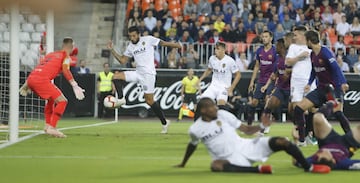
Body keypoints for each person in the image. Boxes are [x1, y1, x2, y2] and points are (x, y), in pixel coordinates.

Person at [175, 98, 331, 174]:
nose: (216, 109)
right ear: (203, 111)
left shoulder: (223, 114)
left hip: (246, 146)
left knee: (282, 141)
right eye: (212, 108)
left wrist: (262, 126)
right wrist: (183, 163)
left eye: (215, 106)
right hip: (229, 159)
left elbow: (247, 130)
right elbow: (192, 145)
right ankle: (259, 170)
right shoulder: (195, 129)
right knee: (216, 165)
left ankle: (308, 167)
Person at [107, 26, 182, 134]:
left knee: (149, 101)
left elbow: (163, 43)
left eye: (134, 36)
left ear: (138, 34)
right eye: (130, 36)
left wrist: (177, 45)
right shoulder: (130, 46)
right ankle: (122, 99)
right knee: (115, 76)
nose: (132, 38)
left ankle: (165, 123)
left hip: (148, 75)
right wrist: (112, 50)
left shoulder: (148, 39)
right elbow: (123, 61)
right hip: (138, 73)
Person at [293, 30, 351, 146]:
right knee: (299, 108)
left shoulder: (325, 52)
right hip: (321, 89)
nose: (305, 43)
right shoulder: (312, 54)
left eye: (306, 40)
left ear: (310, 41)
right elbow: (314, 71)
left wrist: (343, 83)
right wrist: (309, 83)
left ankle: (352, 139)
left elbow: (336, 69)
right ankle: (302, 140)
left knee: (338, 113)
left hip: (333, 89)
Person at [19, 37, 85, 138]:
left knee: (51, 100)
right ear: (71, 46)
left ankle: (47, 125)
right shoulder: (65, 56)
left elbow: (39, 67)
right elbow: (66, 70)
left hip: (32, 78)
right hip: (41, 80)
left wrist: (27, 84)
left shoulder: (51, 54)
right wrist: (75, 85)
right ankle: (52, 127)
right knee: (62, 101)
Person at [294, 102, 360, 170]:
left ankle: (331, 103)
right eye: (324, 154)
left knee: (317, 118)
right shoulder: (342, 163)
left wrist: (296, 140)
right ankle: (336, 109)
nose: (320, 153)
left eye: (319, 154)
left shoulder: (314, 159)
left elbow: (296, 161)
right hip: (347, 145)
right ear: (333, 160)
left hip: (327, 141)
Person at [284, 26, 315, 145]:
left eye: (296, 35)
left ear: (302, 35)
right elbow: (287, 62)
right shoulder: (293, 47)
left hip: (310, 81)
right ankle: (302, 139)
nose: (294, 37)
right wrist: (299, 57)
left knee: (313, 109)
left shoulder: (310, 47)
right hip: (296, 81)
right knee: (298, 109)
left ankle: (308, 134)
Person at [196, 42, 241, 120]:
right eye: (215, 49)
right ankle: (198, 125)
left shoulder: (230, 61)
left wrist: (231, 88)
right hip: (213, 86)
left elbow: (238, 75)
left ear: (223, 50)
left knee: (221, 106)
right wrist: (200, 80)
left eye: (217, 49)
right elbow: (209, 70)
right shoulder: (212, 58)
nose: (215, 50)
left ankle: (221, 126)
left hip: (224, 87)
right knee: (201, 103)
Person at [260, 38, 290, 133]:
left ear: (281, 46)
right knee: (269, 104)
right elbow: (276, 72)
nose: (275, 47)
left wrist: (288, 73)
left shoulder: (290, 58)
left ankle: (305, 132)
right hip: (281, 88)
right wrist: (275, 75)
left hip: (291, 88)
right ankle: (265, 126)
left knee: (295, 111)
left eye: (277, 45)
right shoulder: (278, 59)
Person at [247, 30, 277, 126]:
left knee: (267, 101)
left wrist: (269, 83)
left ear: (271, 38)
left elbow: (275, 69)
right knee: (254, 102)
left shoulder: (275, 51)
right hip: (261, 80)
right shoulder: (259, 50)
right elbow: (256, 66)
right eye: (263, 37)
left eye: (266, 36)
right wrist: (252, 82)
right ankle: (249, 124)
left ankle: (265, 124)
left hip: (272, 80)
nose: (264, 38)